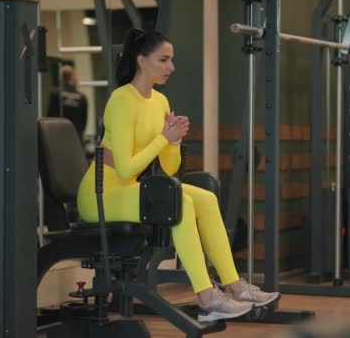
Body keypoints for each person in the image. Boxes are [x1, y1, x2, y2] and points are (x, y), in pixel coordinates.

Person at [76, 28, 280, 322]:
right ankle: (207, 297)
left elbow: (169, 168)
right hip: (101, 196)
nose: (171, 67)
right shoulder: (121, 100)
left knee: (205, 198)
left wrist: (173, 141)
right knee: (179, 202)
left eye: (171, 60)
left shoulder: (160, 101)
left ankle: (235, 287)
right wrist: (162, 137)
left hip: (131, 190)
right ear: (141, 60)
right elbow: (125, 168)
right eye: (163, 60)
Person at [48, 65, 88, 140]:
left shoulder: (55, 94)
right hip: (75, 135)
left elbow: (50, 116)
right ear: (73, 77)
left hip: (58, 134)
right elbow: (84, 121)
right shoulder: (82, 97)